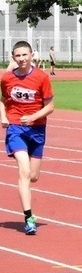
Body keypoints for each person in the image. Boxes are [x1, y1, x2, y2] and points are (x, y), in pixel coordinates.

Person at [0, 41, 55, 235]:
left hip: (37, 129)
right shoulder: (7, 79)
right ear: (13, 58)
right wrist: (3, 116)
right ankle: (29, 217)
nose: (22, 59)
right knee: (23, 171)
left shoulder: (41, 77)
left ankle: (29, 212)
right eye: (18, 56)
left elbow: (50, 107)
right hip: (16, 128)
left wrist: (32, 117)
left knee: (33, 177)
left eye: (25, 55)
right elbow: (2, 99)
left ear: (32, 55)